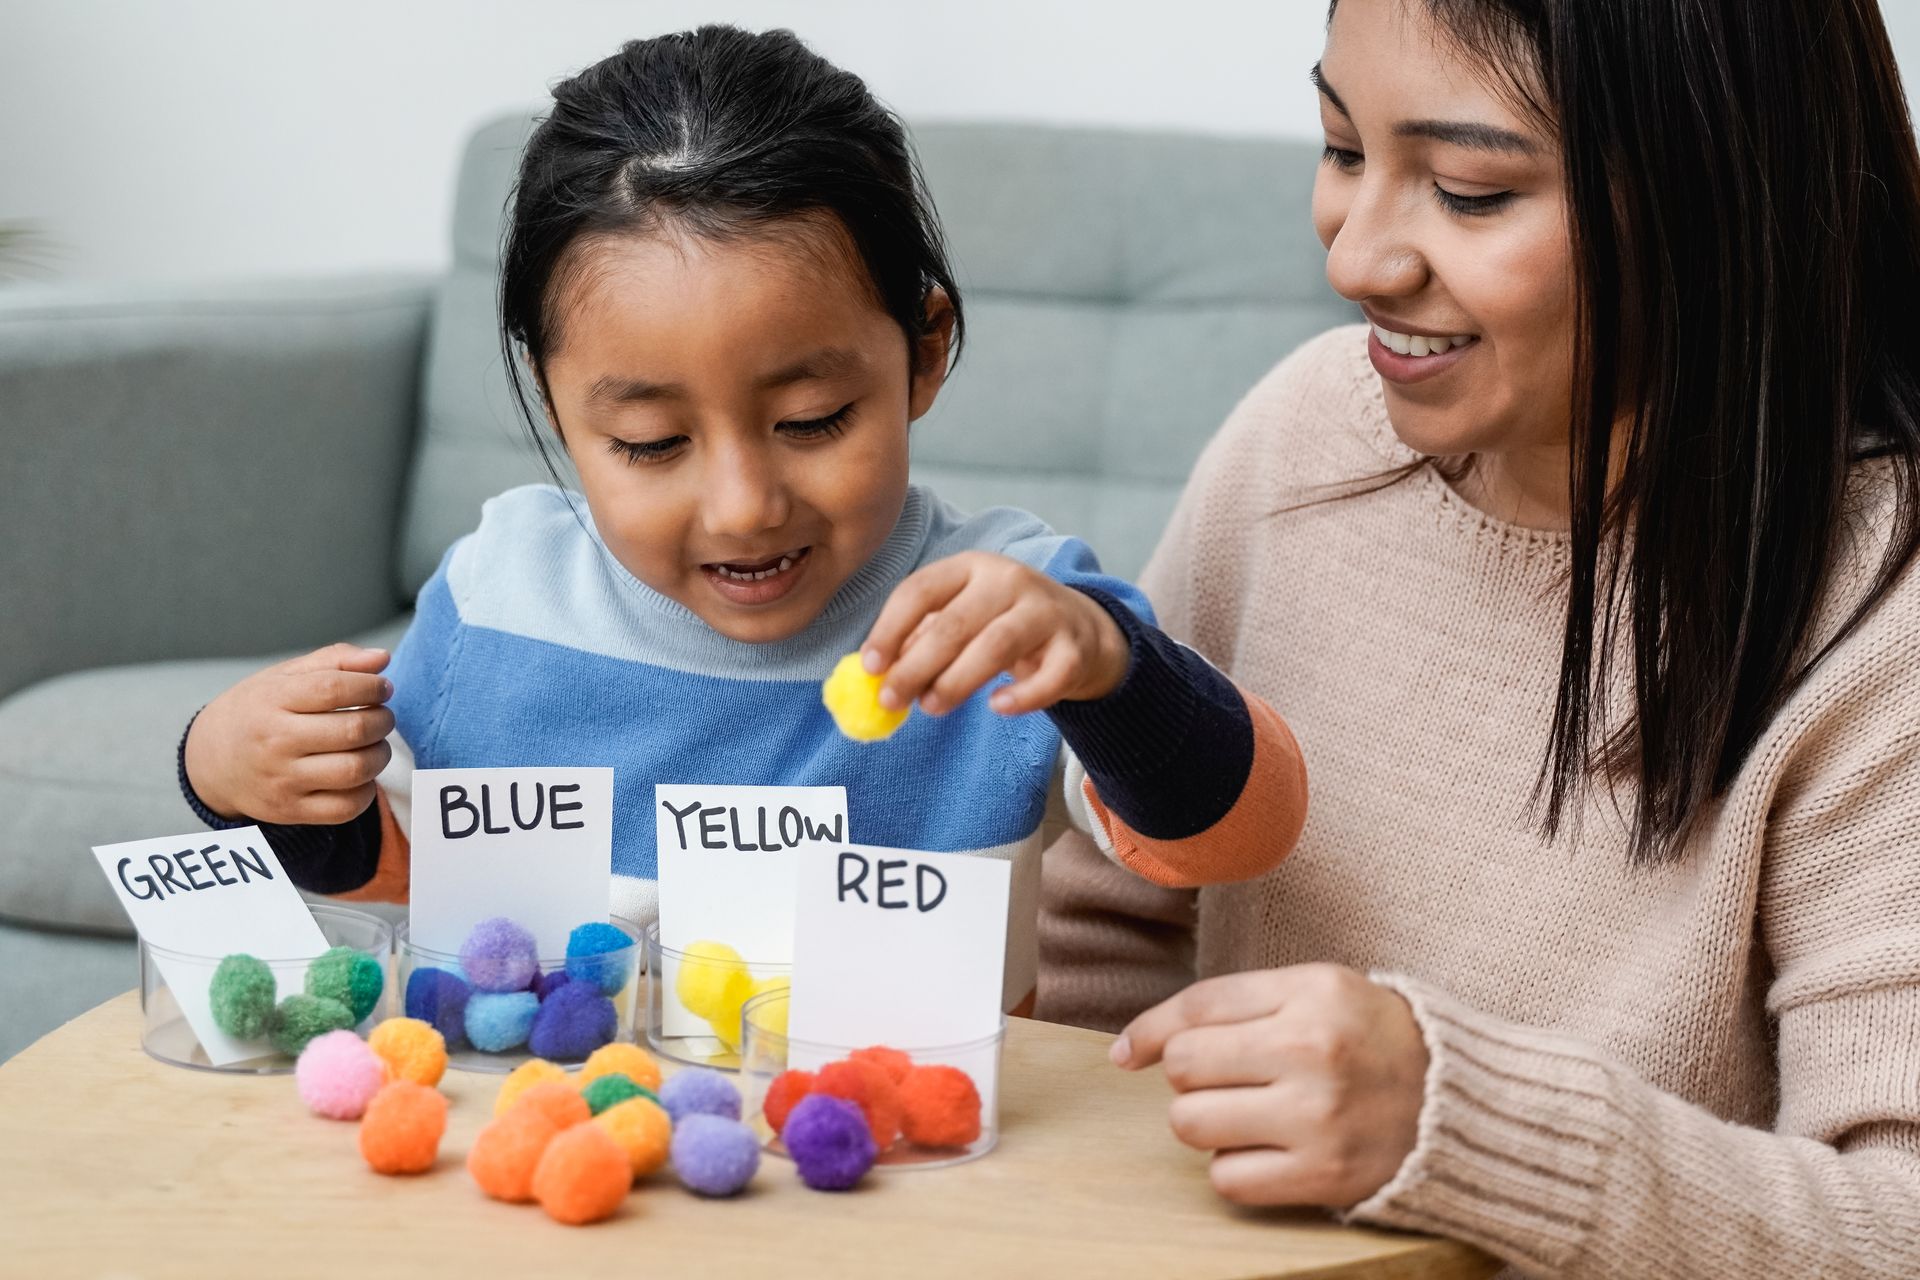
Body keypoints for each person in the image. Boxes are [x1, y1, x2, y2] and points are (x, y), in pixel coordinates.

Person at [1040, 0, 1920, 1274]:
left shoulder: (1879, 606)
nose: (1358, 261)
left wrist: (1460, 1127)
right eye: (1343, 150)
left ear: (1717, 201)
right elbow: (1110, 921)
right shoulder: (1304, 434)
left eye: (1466, 190)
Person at [173, 25, 1309, 1011]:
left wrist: (1107, 667)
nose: (744, 506)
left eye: (813, 418)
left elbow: (1239, 837)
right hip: (567, 1163)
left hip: (891, 1167)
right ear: (559, 408)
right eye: (652, 443)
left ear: (925, 351)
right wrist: (233, 775)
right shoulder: (502, 593)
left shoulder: (1006, 612)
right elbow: (391, 869)